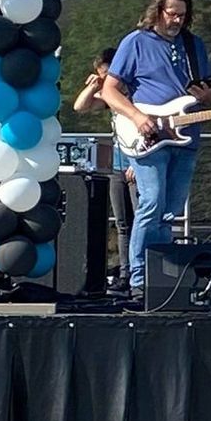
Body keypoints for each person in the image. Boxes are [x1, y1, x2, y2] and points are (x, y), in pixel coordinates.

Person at [99, 0, 211, 296]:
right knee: (151, 202)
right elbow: (109, 90)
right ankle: (138, 278)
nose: (177, 20)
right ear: (158, 10)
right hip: (147, 135)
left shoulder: (194, 45)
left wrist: (207, 96)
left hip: (186, 135)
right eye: (172, 14)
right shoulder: (136, 41)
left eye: (182, 15)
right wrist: (137, 116)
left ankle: (160, 275)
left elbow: (209, 90)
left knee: (170, 210)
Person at [73, 48, 138, 290]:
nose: (107, 79)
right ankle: (126, 273)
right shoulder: (111, 97)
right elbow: (80, 107)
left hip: (138, 163)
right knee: (123, 223)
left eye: (109, 74)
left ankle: (142, 272)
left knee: (142, 219)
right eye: (103, 75)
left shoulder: (138, 94)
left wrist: (136, 164)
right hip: (117, 165)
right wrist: (93, 86)